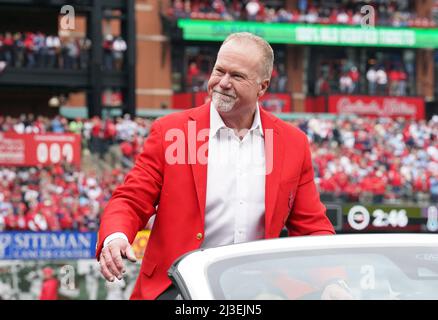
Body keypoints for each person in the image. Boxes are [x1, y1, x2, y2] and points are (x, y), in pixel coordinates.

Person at [97, 32, 341, 300]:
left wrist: (332, 282)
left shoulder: (293, 143)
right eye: (219, 71)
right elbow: (131, 199)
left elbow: (312, 226)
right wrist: (115, 236)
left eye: (236, 76)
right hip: (177, 285)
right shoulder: (171, 131)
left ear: (262, 87)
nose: (222, 83)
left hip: (257, 290)